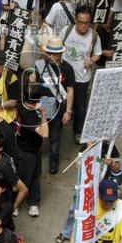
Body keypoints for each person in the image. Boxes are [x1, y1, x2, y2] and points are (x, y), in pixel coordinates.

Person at [34, 37, 75, 174]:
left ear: (60, 54)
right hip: (43, 103)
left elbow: (70, 90)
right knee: (39, 134)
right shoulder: (40, 65)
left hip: (58, 105)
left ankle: (54, 162)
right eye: (49, 53)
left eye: (54, 54)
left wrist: (68, 111)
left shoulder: (67, 68)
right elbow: (34, 86)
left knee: (55, 137)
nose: (51, 56)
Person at [62, 7, 101, 137]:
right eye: (80, 22)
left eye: (86, 22)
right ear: (75, 19)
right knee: (60, 102)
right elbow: (57, 47)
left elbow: (98, 54)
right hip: (64, 76)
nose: (83, 25)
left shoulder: (94, 36)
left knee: (80, 107)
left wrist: (91, 60)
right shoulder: (66, 30)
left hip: (82, 78)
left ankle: (78, 131)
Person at [15, 85, 49, 217]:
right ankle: (15, 204)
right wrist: (43, 113)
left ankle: (33, 203)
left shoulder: (21, 104)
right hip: (26, 151)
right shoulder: (29, 116)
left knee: (35, 176)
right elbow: (44, 134)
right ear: (38, 99)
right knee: (24, 178)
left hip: (33, 149)